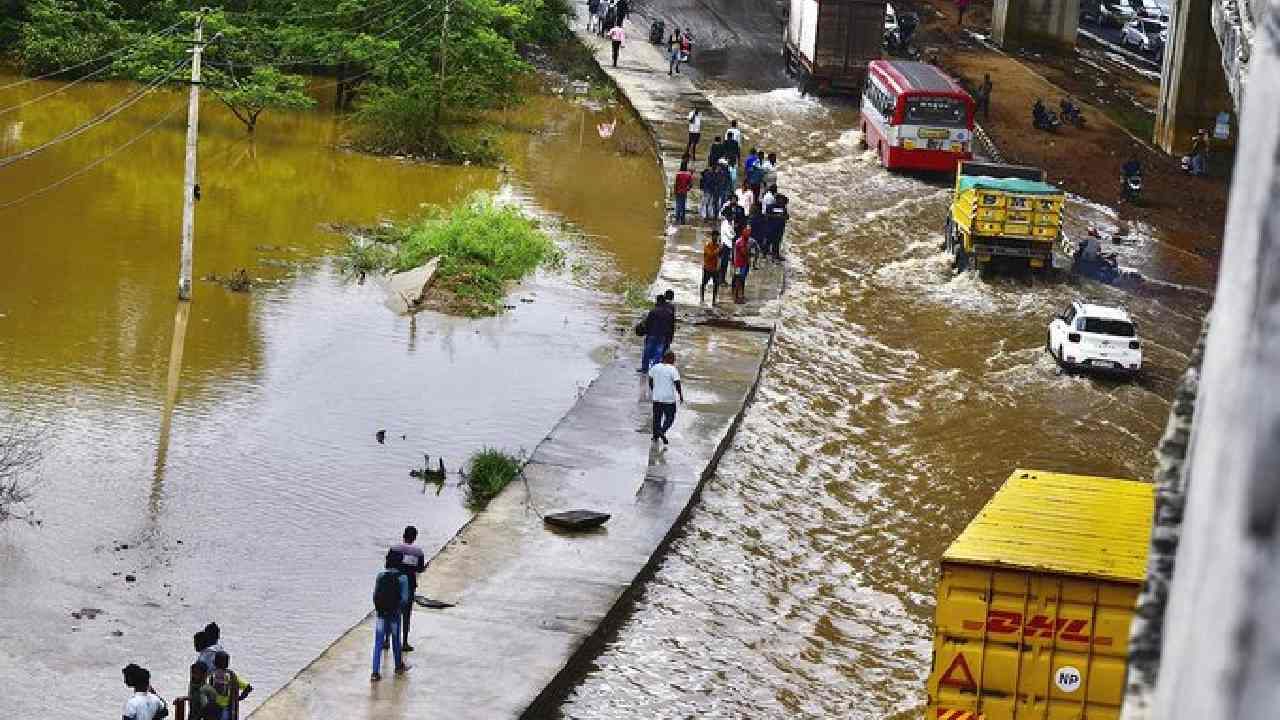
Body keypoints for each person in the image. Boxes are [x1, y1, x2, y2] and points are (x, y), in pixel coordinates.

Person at [370, 556, 410, 682]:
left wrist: (379, 608)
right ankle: (398, 666)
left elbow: (375, 594)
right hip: (394, 614)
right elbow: (404, 599)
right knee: (396, 640)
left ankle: (375, 673)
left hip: (381, 613)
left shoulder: (380, 576)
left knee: (378, 643)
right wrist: (398, 608)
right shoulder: (403, 578)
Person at [387, 525, 426, 652]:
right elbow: (420, 569)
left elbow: (387, 565)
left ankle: (386, 640)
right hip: (409, 586)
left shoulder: (394, 549)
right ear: (414, 538)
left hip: (394, 584)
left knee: (391, 611)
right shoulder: (418, 552)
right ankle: (404, 643)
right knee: (406, 614)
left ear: (403, 536)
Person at [647, 350, 684, 445]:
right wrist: (680, 395)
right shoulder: (673, 369)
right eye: (674, 359)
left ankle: (655, 436)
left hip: (657, 398)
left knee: (657, 417)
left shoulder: (655, 367)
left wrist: (654, 390)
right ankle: (662, 431)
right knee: (670, 417)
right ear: (670, 359)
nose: (674, 361)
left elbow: (650, 379)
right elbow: (677, 383)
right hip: (669, 399)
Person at [208, 651, 251, 720]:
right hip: (227, 708)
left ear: (215, 663)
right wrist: (239, 698)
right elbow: (248, 687)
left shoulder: (211, 675)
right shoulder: (231, 676)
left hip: (213, 708)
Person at [639, 294, 675, 372]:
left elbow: (648, 323)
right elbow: (671, 326)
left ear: (658, 301)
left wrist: (646, 332)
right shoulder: (669, 312)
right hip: (663, 335)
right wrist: (670, 336)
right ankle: (655, 369)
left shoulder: (653, 311)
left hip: (652, 334)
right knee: (658, 352)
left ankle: (644, 368)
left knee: (647, 352)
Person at [765, 194, 789, 259]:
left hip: (780, 228)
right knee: (768, 240)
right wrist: (777, 217)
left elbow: (787, 217)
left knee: (777, 241)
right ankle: (765, 252)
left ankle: (776, 254)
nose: (782, 203)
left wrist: (783, 217)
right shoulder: (770, 207)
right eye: (781, 200)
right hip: (771, 227)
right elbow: (766, 215)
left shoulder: (783, 208)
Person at [732, 225, 751, 303]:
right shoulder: (741, 242)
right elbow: (744, 253)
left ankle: (740, 296)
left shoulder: (745, 241)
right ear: (743, 232)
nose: (749, 233)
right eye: (747, 232)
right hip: (739, 265)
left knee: (741, 280)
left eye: (749, 232)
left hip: (742, 264)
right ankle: (736, 298)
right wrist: (748, 259)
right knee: (738, 280)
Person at [718, 204, 736, 286]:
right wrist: (733, 234)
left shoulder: (729, 223)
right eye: (731, 216)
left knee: (725, 263)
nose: (732, 217)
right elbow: (731, 235)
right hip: (725, 245)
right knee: (723, 263)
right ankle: (721, 280)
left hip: (728, 245)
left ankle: (722, 279)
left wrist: (733, 233)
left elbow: (732, 233)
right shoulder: (725, 224)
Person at [700, 233, 720, 304]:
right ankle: (702, 298)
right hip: (707, 268)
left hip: (715, 269)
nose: (716, 238)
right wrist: (717, 250)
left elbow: (719, 257)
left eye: (717, 236)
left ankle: (714, 300)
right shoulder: (708, 245)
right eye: (715, 236)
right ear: (712, 237)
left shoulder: (718, 246)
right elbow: (710, 255)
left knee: (716, 284)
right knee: (704, 283)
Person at [673, 159, 694, 225]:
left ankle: (677, 218)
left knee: (678, 205)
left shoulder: (678, 174)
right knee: (683, 205)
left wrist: (675, 191)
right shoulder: (688, 174)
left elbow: (676, 184)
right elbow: (690, 184)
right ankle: (683, 219)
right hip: (684, 192)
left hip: (678, 191)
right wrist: (687, 189)